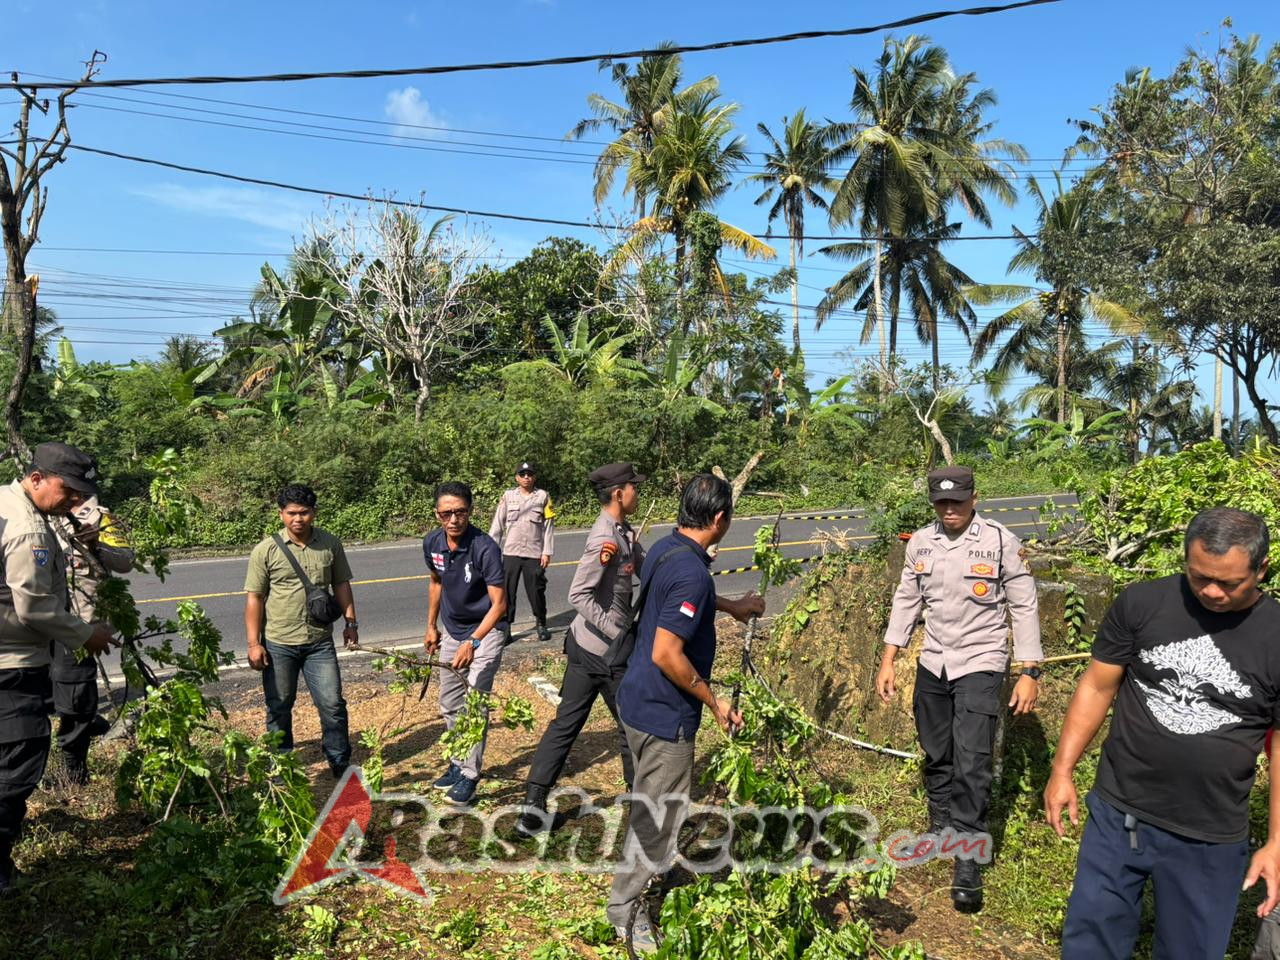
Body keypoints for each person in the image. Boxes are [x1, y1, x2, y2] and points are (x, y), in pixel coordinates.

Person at [1046, 507, 1280, 960]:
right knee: (1091, 941)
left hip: (1209, 835)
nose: (1211, 591)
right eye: (1198, 577)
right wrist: (1062, 770)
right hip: (1120, 813)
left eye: (1229, 583)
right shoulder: (1143, 603)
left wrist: (1277, 841)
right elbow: (1096, 685)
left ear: (1262, 569)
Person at [605, 474, 765, 952]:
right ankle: (626, 912)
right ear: (719, 520)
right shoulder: (693, 570)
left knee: (648, 806)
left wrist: (731, 606)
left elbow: (679, 600)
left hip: (634, 701)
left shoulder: (666, 547)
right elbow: (667, 652)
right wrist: (714, 700)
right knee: (660, 820)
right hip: (664, 714)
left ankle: (637, 882)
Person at [876, 465, 1042, 911]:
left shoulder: (1000, 542)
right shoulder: (922, 544)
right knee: (936, 749)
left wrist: (1030, 670)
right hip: (934, 662)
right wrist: (889, 658)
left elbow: (1025, 604)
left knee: (973, 759)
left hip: (981, 662)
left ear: (974, 497)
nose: (949, 510)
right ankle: (941, 822)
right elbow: (907, 600)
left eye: (957, 501)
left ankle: (967, 854)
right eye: (941, 502)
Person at [0, 442, 116, 893]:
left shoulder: (12, 504)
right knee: (18, 764)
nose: (73, 502)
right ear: (36, 478)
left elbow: (121, 559)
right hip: (13, 662)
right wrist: (88, 635)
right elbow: (35, 608)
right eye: (67, 491)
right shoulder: (28, 528)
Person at [516, 462, 646, 838]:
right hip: (604, 652)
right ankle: (639, 810)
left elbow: (645, 568)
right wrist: (617, 632)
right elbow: (579, 594)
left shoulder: (622, 531)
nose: (638, 493)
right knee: (630, 726)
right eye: (633, 488)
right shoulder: (604, 539)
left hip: (589, 649)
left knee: (566, 725)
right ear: (619, 493)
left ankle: (532, 810)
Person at [244, 483, 358, 780]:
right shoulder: (265, 550)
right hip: (279, 643)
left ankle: (338, 759)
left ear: (314, 513)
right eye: (292, 513)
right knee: (279, 706)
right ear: (281, 514)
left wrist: (351, 623)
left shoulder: (330, 544)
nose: (298, 519)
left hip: (319, 642)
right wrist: (254, 644)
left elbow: (342, 584)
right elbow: (254, 598)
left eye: (304, 513)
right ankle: (281, 763)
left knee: (332, 703)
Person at [423, 481, 508, 807]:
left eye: (460, 512)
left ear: (470, 512)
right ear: (438, 515)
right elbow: (435, 581)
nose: (454, 519)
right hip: (452, 630)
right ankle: (457, 762)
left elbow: (499, 605)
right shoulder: (432, 543)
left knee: (474, 703)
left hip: (486, 632)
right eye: (447, 513)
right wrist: (431, 626)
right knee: (449, 702)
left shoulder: (484, 548)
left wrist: (473, 641)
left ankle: (470, 774)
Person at [50, 496, 135, 783]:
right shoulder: (44, 513)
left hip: (80, 626)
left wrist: (96, 542)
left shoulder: (100, 517)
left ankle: (74, 773)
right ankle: (90, 722)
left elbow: (126, 561)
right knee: (43, 690)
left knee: (75, 697)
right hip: (42, 620)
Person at [489, 460, 555, 644]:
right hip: (511, 552)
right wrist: (492, 551)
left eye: (530, 474)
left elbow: (548, 526)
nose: (526, 477)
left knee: (537, 591)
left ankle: (541, 624)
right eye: (522, 474)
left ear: (534, 477)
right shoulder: (508, 496)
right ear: (517, 477)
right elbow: (498, 525)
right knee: (507, 592)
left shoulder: (543, 496)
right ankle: (506, 627)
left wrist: (547, 551)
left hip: (534, 552)